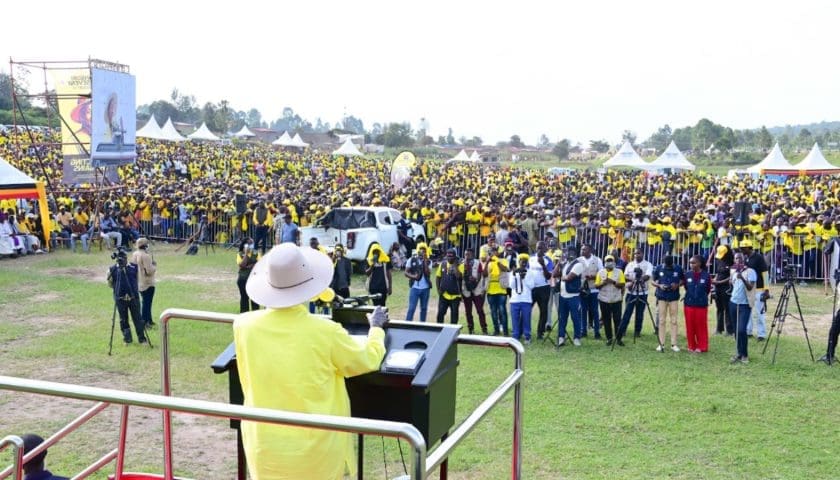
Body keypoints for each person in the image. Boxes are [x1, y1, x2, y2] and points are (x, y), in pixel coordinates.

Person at [235, 243, 387, 480]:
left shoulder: (244, 326)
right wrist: (376, 330)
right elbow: (366, 360)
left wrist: (327, 294)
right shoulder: (325, 331)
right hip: (315, 450)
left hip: (264, 445)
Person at [107, 248, 146, 345]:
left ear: (126, 258)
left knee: (137, 318)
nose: (122, 260)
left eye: (123, 258)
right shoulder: (112, 269)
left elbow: (138, 280)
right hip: (120, 299)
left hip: (134, 298)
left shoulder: (134, 267)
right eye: (120, 258)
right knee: (123, 319)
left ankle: (142, 339)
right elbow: (110, 283)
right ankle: (127, 339)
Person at [619, 249, 654, 341]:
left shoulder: (648, 264)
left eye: (638, 253)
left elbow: (648, 275)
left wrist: (640, 279)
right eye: (634, 253)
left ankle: (637, 331)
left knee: (639, 313)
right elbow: (625, 276)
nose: (636, 255)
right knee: (627, 312)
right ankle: (622, 330)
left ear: (642, 254)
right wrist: (633, 281)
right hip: (631, 292)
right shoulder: (630, 264)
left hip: (643, 292)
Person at [652, 255, 684, 352]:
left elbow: (683, 280)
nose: (668, 267)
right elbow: (652, 281)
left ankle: (674, 344)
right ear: (664, 263)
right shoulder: (658, 268)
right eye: (667, 266)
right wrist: (659, 285)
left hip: (673, 297)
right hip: (661, 297)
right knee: (661, 321)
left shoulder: (678, 268)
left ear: (672, 263)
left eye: (670, 266)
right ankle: (661, 344)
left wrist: (677, 285)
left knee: (674, 321)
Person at [554, 245, 584, 346]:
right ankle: (561, 337)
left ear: (574, 253)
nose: (567, 254)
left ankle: (577, 338)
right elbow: (554, 275)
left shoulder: (578, 264)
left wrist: (562, 277)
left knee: (575, 318)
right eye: (566, 252)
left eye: (569, 252)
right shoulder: (565, 264)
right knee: (562, 318)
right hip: (562, 295)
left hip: (573, 296)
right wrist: (558, 263)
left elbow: (569, 278)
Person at [729, 251, 756, 364]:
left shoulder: (751, 272)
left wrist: (743, 279)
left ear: (744, 259)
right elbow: (732, 284)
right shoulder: (733, 271)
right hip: (733, 303)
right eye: (736, 259)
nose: (738, 260)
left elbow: (750, 287)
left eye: (740, 258)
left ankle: (745, 354)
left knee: (741, 330)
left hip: (744, 305)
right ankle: (739, 353)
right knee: (736, 330)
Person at [741, 239, 769, 341]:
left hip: (759, 288)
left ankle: (761, 334)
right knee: (748, 311)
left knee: (759, 312)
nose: (742, 250)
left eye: (743, 248)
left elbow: (765, 273)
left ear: (749, 247)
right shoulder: (746, 258)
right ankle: (748, 331)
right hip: (749, 288)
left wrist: (766, 289)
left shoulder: (758, 258)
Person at [594, 254, 625, 346]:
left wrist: (613, 282)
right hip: (604, 299)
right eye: (607, 261)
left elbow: (622, 285)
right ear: (605, 262)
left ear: (614, 262)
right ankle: (609, 338)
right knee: (606, 320)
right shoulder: (600, 272)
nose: (609, 262)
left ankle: (618, 339)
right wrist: (604, 282)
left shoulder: (619, 272)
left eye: (611, 260)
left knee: (617, 320)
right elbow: (596, 286)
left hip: (616, 300)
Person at [510, 253, 540, 344]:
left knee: (526, 319)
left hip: (526, 300)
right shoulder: (513, 272)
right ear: (518, 262)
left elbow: (531, 286)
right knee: (515, 319)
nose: (523, 264)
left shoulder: (530, 272)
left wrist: (524, 278)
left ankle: (527, 336)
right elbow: (511, 286)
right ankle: (515, 336)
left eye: (525, 262)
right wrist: (516, 276)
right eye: (522, 262)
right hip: (515, 300)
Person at [684, 254, 712, 353]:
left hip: (701, 305)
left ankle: (702, 346)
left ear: (699, 263)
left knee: (701, 326)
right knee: (690, 325)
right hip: (689, 304)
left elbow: (708, 289)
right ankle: (691, 346)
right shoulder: (687, 275)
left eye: (693, 263)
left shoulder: (706, 275)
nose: (691, 265)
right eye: (690, 263)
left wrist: (700, 296)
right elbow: (687, 287)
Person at [529, 241, 554, 340]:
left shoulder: (548, 260)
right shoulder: (530, 259)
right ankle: (524, 330)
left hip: (544, 288)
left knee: (543, 311)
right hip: (532, 288)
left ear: (545, 249)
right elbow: (526, 271)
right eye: (538, 248)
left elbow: (548, 276)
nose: (539, 250)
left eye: (541, 248)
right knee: (527, 309)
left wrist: (543, 265)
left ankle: (540, 332)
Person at [577, 244, 603, 339]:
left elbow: (602, 274)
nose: (582, 251)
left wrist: (593, 277)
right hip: (582, 290)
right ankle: (583, 331)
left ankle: (597, 332)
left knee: (595, 311)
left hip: (594, 290)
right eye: (581, 249)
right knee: (583, 310)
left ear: (590, 250)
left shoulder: (597, 260)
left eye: (584, 250)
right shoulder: (578, 260)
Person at [131, 237, 157, 328]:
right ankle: (145, 322)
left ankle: (149, 320)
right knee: (147, 303)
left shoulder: (135, 254)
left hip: (139, 282)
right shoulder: (146, 256)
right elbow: (149, 271)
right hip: (147, 283)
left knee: (146, 302)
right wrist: (154, 266)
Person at [461, 248, 489, 334]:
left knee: (480, 310)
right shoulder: (462, 263)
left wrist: (475, 281)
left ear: (473, 255)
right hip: (466, 290)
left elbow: (480, 275)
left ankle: (484, 329)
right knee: (468, 311)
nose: (467, 256)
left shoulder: (477, 263)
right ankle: (471, 329)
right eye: (465, 254)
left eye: (468, 254)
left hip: (476, 289)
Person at [485, 247, 510, 336]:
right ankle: (496, 330)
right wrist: (487, 262)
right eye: (491, 251)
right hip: (491, 290)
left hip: (501, 289)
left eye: (494, 251)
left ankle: (505, 331)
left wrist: (496, 260)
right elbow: (484, 274)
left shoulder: (503, 260)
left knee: (502, 310)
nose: (493, 253)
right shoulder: (488, 263)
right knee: (493, 311)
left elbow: (505, 269)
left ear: (497, 252)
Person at [404, 242, 432, 322]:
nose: (422, 253)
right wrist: (414, 277)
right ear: (417, 251)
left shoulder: (429, 261)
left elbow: (427, 273)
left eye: (424, 251)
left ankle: (422, 325)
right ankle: (407, 325)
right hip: (414, 288)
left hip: (425, 288)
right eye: (420, 251)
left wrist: (425, 262)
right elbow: (405, 273)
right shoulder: (411, 259)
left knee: (424, 308)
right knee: (411, 308)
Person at [436, 248, 463, 324]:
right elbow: (438, 277)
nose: (449, 258)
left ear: (455, 256)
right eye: (448, 256)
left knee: (454, 316)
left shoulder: (460, 265)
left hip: (455, 296)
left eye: (451, 256)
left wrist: (455, 265)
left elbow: (459, 276)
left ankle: (452, 331)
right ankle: (439, 329)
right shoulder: (443, 264)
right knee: (440, 314)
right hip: (444, 294)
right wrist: (438, 289)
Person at [712, 245, 734, 335]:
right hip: (718, 288)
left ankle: (729, 330)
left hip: (727, 288)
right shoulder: (719, 261)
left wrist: (719, 282)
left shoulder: (732, 262)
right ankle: (719, 329)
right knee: (719, 308)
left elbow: (731, 276)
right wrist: (715, 281)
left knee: (727, 309)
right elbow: (718, 273)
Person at [236, 237, 259, 313]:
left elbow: (259, 264)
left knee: (255, 299)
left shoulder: (256, 253)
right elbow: (242, 265)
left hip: (254, 279)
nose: (251, 245)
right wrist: (246, 254)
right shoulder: (240, 254)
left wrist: (248, 266)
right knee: (244, 298)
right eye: (249, 243)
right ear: (245, 245)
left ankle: (255, 317)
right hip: (243, 279)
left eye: (252, 243)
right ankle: (244, 316)